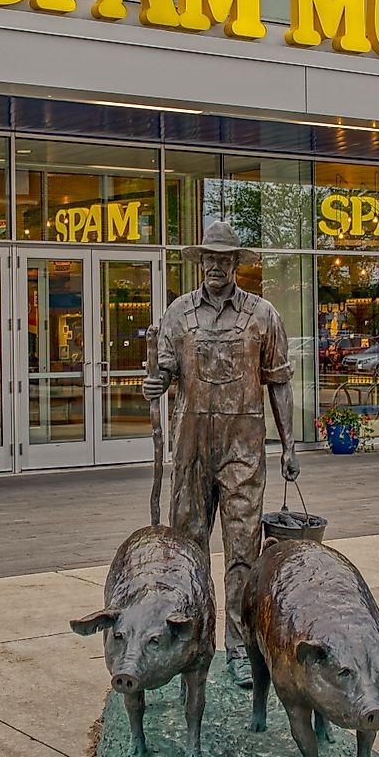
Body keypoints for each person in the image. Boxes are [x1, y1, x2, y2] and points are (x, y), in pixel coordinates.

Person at [142, 221, 299, 688]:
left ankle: (239, 647)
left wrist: (289, 444)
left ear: (235, 263)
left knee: (243, 552)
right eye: (207, 258)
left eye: (223, 258)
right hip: (191, 450)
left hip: (243, 450)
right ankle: (190, 644)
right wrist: (155, 382)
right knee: (186, 550)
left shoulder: (262, 315)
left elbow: (280, 383)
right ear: (200, 263)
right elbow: (165, 370)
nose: (214, 265)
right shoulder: (177, 314)